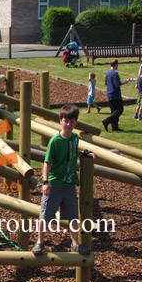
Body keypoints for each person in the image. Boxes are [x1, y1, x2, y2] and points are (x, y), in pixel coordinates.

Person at [33, 104, 93, 256]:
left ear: (75, 123)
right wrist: (45, 182)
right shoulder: (55, 141)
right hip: (54, 183)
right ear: (61, 121)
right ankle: (40, 242)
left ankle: (76, 243)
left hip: (69, 183)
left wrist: (84, 153)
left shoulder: (74, 138)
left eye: (72, 121)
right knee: (45, 215)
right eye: (66, 121)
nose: (68, 124)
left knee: (72, 216)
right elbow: (47, 163)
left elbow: (72, 150)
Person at [101, 60, 129, 132]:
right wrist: (125, 81)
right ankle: (106, 121)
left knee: (113, 111)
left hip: (109, 94)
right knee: (119, 110)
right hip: (115, 94)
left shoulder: (108, 73)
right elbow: (117, 84)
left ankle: (115, 127)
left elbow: (106, 83)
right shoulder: (115, 74)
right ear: (116, 65)